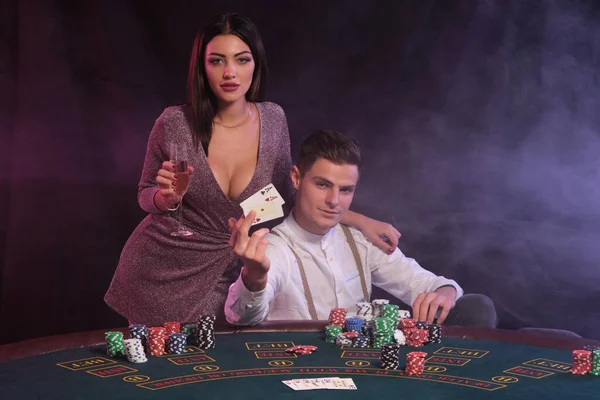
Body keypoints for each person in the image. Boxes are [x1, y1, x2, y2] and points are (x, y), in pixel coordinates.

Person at [104, 14, 401, 326]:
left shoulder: (273, 119)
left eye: (241, 59)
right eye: (217, 61)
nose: (230, 72)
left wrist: (359, 220)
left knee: (219, 370)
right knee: (163, 372)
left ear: (255, 63)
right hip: (160, 270)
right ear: (202, 69)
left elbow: (286, 195)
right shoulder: (174, 123)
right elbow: (144, 194)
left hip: (231, 273)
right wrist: (165, 199)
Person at [225, 129, 498, 327]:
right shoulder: (275, 247)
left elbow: (426, 283)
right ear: (296, 178)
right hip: (304, 376)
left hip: (364, 372)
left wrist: (445, 292)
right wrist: (256, 277)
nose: (334, 201)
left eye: (346, 190)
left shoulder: (361, 241)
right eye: (322, 185)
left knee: (477, 308)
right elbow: (240, 316)